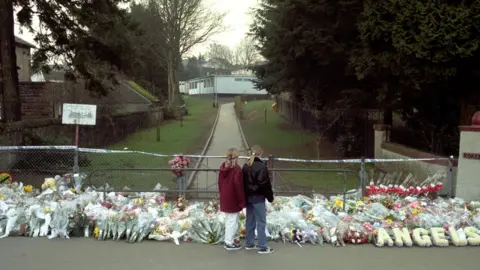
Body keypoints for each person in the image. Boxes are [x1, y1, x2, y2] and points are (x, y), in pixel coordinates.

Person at [242, 145, 275, 254]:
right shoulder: (261, 166)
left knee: (250, 221)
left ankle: (249, 243)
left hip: (248, 197)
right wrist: (270, 197)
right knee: (261, 222)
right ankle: (262, 246)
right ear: (260, 154)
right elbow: (265, 184)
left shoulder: (246, 166)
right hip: (259, 197)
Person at [218, 148, 246, 251]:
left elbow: (220, 183)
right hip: (233, 198)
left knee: (229, 220)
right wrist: (242, 201)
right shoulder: (237, 169)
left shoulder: (223, 167)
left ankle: (229, 240)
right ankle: (229, 243)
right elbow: (238, 187)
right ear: (236, 157)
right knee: (232, 221)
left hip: (225, 196)